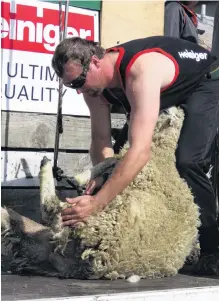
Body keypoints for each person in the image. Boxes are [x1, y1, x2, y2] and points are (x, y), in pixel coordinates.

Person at [52, 35, 219, 275]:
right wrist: (104, 174)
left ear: (96, 62)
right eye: (71, 86)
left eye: (78, 81)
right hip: (164, 88)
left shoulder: (140, 72)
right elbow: (101, 140)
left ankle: (212, 249)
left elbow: (141, 151)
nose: (79, 91)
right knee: (120, 164)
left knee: (187, 160)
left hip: (204, 80)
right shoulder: (93, 88)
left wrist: (97, 203)